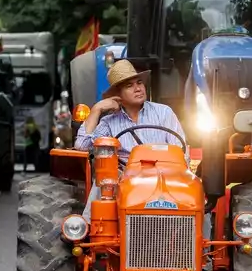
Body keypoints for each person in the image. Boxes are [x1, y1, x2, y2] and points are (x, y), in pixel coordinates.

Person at [74, 59, 188, 218]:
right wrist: (96, 109)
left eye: (139, 83)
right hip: (125, 178)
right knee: (105, 180)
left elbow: (181, 150)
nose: (138, 88)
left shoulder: (164, 113)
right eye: (129, 86)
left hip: (164, 174)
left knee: (195, 188)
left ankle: (201, 237)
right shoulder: (109, 122)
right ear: (117, 95)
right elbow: (81, 146)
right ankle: (88, 227)